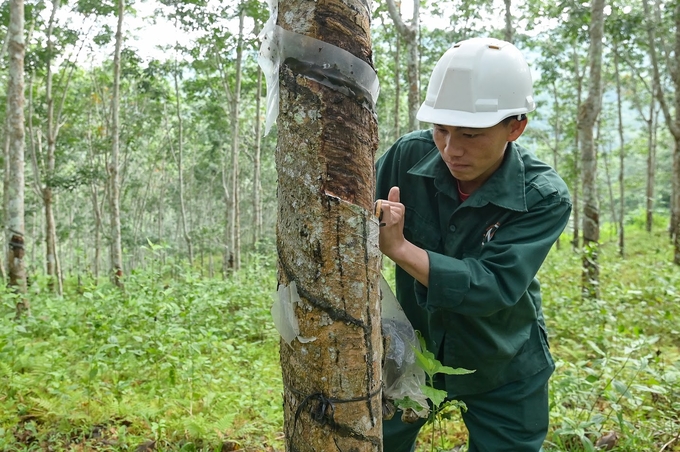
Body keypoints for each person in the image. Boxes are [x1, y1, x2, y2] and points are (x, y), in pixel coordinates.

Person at [376, 37, 572, 452]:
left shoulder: (542, 195)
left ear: (515, 127)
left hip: (502, 359)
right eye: (441, 129)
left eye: (470, 133)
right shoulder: (408, 157)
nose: (451, 149)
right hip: (410, 349)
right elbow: (348, 221)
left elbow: (492, 285)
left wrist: (402, 250)